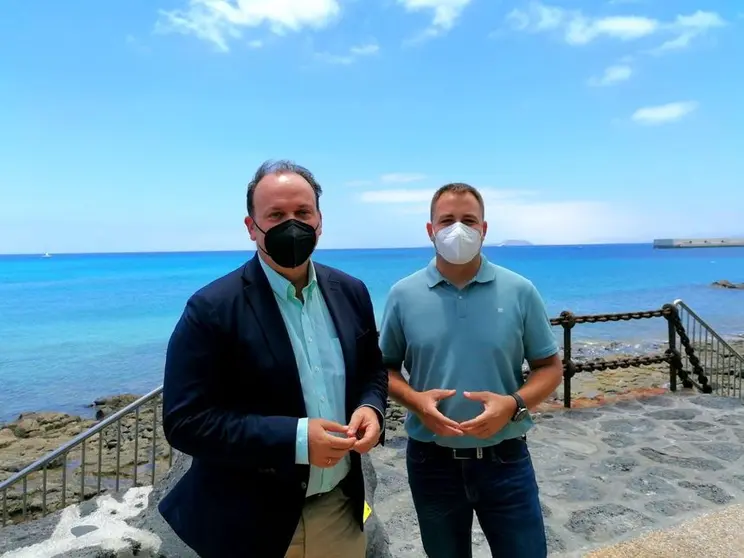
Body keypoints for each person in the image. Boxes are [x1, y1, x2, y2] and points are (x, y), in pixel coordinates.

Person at [159, 160, 388, 558]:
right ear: (252, 227)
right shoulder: (212, 309)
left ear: (319, 221)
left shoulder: (351, 292)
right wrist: (297, 440)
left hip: (337, 511)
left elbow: (371, 369)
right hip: (248, 524)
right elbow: (184, 422)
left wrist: (371, 407)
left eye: (302, 213)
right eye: (276, 215)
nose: (292, 225)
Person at [378, 182, 562, 558]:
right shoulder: (403, 295)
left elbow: (549, 367)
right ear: (430, 230)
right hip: (432, 461)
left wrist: (512, 404)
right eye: (447, 220)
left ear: (484, 229)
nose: (457, 229)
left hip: (505, 457)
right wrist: (415, 400)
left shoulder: (519, 290)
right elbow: (384, 370)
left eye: (468, 220)